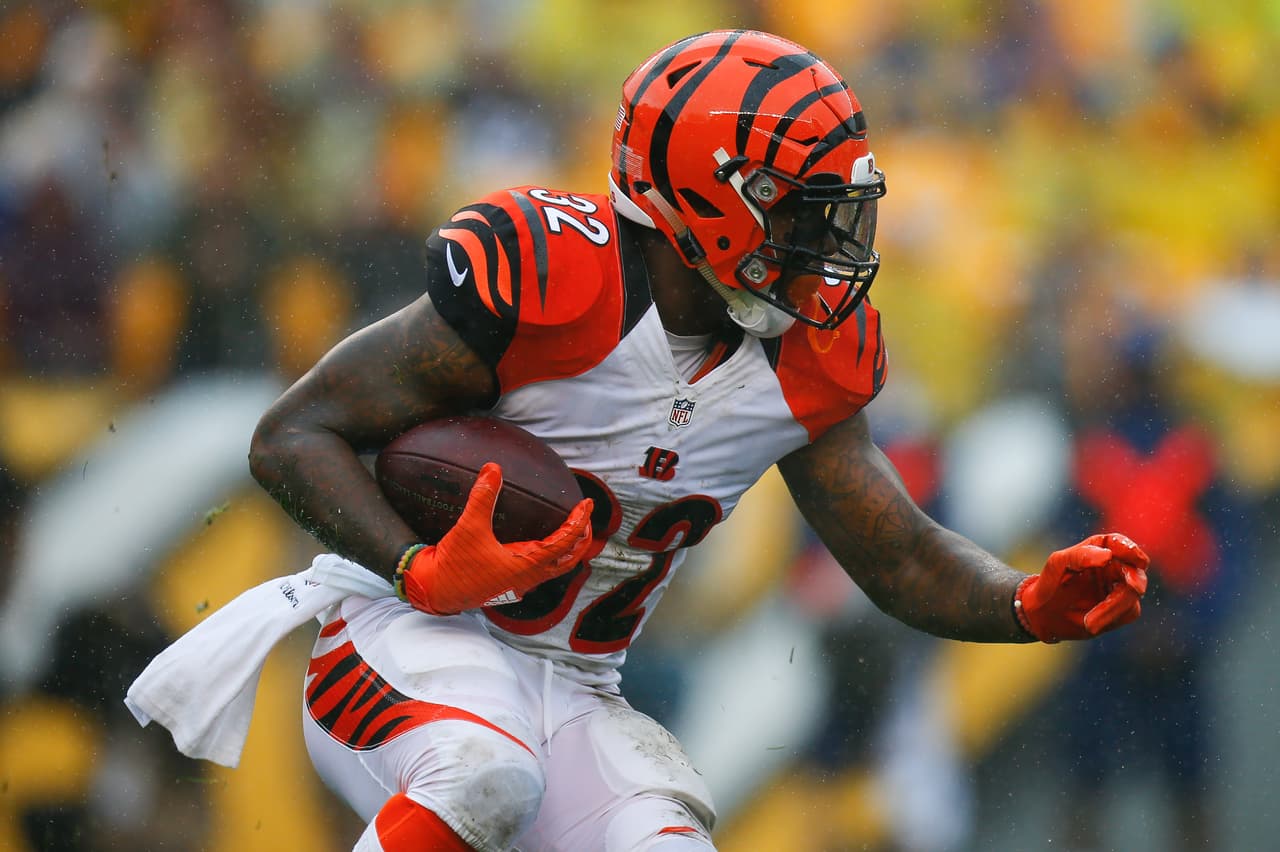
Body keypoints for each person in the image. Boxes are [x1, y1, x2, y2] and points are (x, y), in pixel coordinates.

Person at [144, 29, 1149, 852]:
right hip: (401, 637)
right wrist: (416, 567)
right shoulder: (549, 278)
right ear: (715, 202)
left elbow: (893, 551)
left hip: (576, 682)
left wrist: (1021, 604)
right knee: (482, 777)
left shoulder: (808, 354)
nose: (831, 246)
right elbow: (291, 435)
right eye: (803, 215)